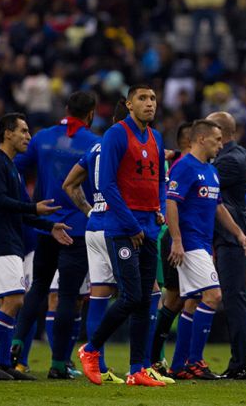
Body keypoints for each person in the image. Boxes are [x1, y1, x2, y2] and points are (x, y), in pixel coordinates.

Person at [78, 85, 168, 387]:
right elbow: (106, 185)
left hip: (149, 228)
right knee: (130, 296)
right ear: (129, 105)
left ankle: (136, 369)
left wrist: (161, 209)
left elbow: (160, 182)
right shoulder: (116, 134)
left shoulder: (156, 137)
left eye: (153, 98)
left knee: (144, 300)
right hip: (123, 229)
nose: (149, 103)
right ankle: (90, 350)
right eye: (142, 98)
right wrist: (132, 225)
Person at [0, 113, 73, 381]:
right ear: (7, 133)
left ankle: (5, 362)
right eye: (24, 131)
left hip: (12, 242)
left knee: (13, 302)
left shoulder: (11, 167)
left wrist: (49, 226)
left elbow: (24, 213)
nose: (28, 137)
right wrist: (34, 207)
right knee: (15, 300)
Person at [10, 91, 100, 379]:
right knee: (68, 296)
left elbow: (14, 169)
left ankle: (15, 350)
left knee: (37, 287)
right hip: (77, 229)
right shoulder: (95, 144)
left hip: (45, 224)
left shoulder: (42, 137)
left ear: (65, 108)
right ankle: (59, 364)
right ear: (91, 114)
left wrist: (28, 202)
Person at [165, 119, 246, 380]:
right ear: (201, 139)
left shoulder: (210, 171)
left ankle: (179, 365)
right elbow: (171, 203)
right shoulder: (184, 167)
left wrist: (239, 233)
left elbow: (218, 207)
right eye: (216, 140)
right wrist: (177, 240)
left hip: (203, 243)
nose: (220, 144)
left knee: (192, 302)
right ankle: (195, 361)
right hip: (190, 243)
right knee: (214, 296)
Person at [206, 111, 246, 380]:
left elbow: (200, 180)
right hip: (227, 236)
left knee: (234, 298)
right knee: (232, 297)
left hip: (233, 236)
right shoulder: (231, 156)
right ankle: (242, 360)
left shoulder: (229, 162)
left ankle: (244, 363)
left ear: (220, 133)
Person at [149, 122, 193, 373]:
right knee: (177, 299)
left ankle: (162, 357)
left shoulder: (185, 164)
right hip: (173, 237)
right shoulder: (182, 168)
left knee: (176, 300)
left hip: (186, 238)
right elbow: (172, 203)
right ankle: (173, 360)